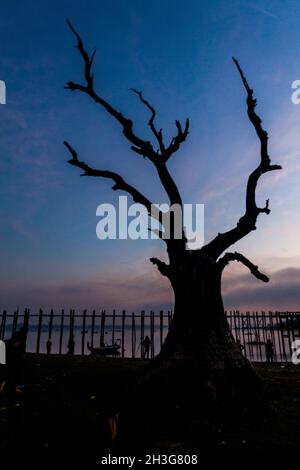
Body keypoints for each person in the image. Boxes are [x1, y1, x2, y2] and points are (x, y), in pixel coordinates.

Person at [0, 327, 27, 397]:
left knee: (8, 374)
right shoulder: (19, 342)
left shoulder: (8, 342)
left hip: (9, 361)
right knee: (13, 374)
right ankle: (9, 387)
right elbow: (22, 355)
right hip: (13, 361)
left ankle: (5, 387)